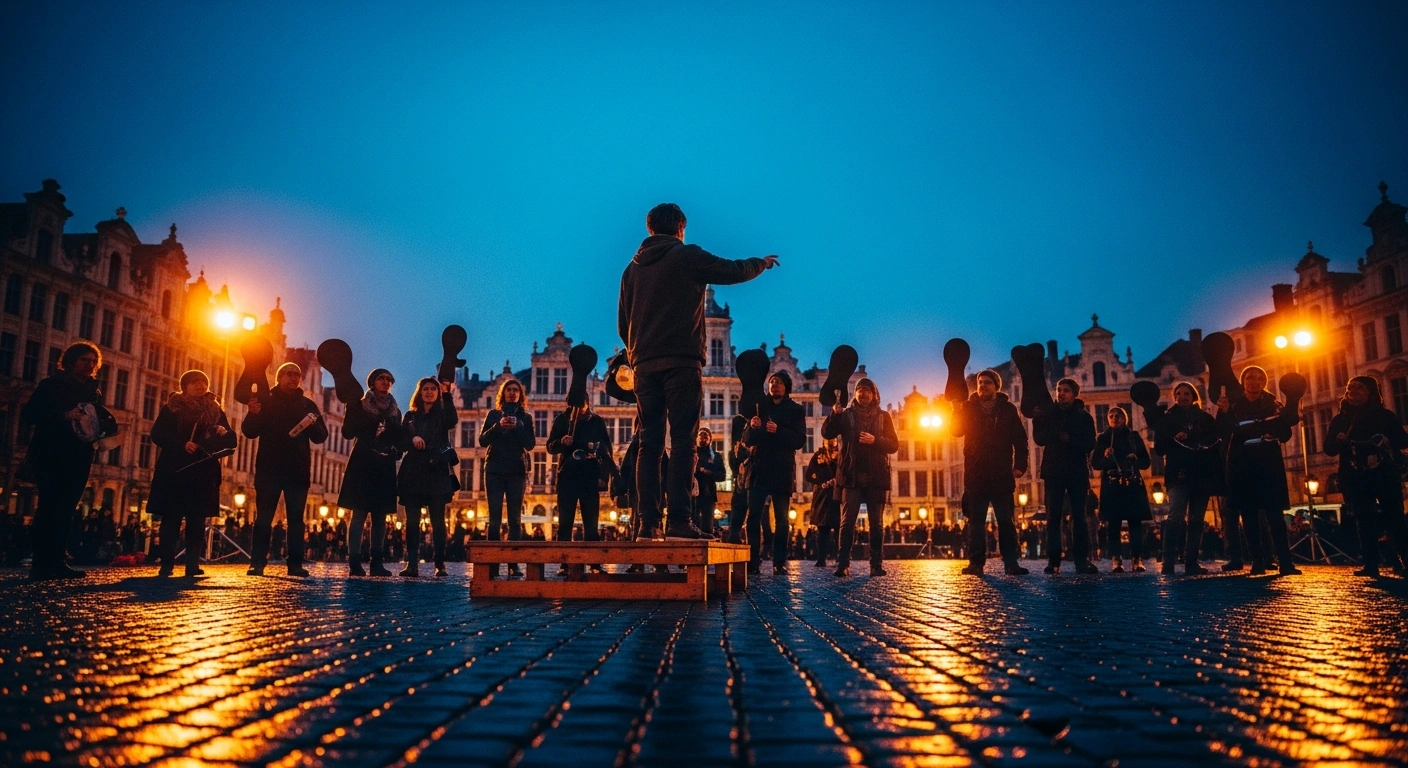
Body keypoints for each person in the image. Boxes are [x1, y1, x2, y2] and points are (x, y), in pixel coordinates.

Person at [618, 202, 778, 539]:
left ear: (650, 229)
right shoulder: (685, 255)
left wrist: (638, 354)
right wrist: (760, 264)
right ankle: (678, 520)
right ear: (680, 227)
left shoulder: (631, 270)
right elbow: (732, 270)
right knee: (683, 441)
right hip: (681, 361)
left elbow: (623, 324)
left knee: (648, 444)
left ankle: (647, 523)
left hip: (644, 365)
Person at [19, 342, 105, 580]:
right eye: (84, 360)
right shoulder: (51, 385)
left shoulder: (94, 391)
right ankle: (40, 564)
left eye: (93, 361)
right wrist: (64, 415)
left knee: (67, 509)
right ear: (70, 361)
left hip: (80, 454)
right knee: (48, 507)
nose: (89, 365)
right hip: (51, 452)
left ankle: (57, 561)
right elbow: (29, 414)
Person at [242, 361, 329, 577]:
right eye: (289, 374)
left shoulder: (307, 405)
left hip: (297, 470)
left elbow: (321, 437)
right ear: (279, 377)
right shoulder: (266, 401)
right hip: (268, 468)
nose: (294, 378)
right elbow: (249, 431)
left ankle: (295, 564)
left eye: (297, 375)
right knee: (263, 518)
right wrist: (253, 413)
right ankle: (257, 562)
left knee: (296, 520)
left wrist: (314, 424)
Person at [148, 370, 236, 577]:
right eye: (195, 382)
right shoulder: (173, 407)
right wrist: (181, 444)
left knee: (197, 521)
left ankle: (192, 564)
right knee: (171, 519)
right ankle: (166, 564)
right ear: (184, 386)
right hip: (175, 471)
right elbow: (157, 434)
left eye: (203, 382)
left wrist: (224, 433)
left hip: (202, 471)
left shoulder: (214, 409)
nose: (200, 386)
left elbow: (231, 441)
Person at [1215, 366, 1301, 576]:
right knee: (1249, 515)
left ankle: (1285, 562)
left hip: (1268, 463)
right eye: (1249, 378)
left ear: (1264, 382)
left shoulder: (1274, 404)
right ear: (1243, 382)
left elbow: (1285, 433)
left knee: (1275, 515)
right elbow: (1223, 431)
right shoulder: (1234, 406)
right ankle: (1257, 561)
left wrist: (1275, 433)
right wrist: (1222, 413)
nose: (1254, 382)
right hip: (1242, 464)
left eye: (1259, 378)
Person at [1324, 376, 1408, 576]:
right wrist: (1339, 441)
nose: (1353, 390)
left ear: (1370, 392)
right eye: (1350, 387)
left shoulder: (1384, 416)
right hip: (1355, 476)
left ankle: (1404, 559)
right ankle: (1371, 564)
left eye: (1359, 387)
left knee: (1395, 518)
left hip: (1384, 474)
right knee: (1364, 521)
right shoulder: (1341, 419)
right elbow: (1329, 449)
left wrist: (1387, 440)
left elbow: (1403, 440)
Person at [952, 370, 1029, 576]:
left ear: (996, 386)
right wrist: (955, 410)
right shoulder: (968, 407)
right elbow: (955, 431)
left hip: (1001, 473)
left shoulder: (1008, 409)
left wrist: (1020, 465)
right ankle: (976, 563)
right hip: (976, 474)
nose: (983, 385)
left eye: (987, 382)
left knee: (1006, 521)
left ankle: (1011, 563)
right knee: (975, 523)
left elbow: (1020, 440)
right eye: (980, 382)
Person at [822, 378, 900, 577]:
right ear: (855, 394)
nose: (863, 393)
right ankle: (843, 564)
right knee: (847, 523)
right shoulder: (845, 414)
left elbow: (894, 445)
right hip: (851, 475)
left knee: (877, 524)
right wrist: (834, 415)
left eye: (867, 390)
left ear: (874, 395)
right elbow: (827, 433)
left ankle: (876, 564)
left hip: (876, 476)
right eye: (860, 390)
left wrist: (875, 441)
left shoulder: (884, 417)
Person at [338, 368, 406, 577]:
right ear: (372, 382)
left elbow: (399, 439)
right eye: (381, 378)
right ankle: (355, 562)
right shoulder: (360, 405)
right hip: (363, 463)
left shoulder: (395, 411)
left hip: (384, 465)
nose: (385, 382)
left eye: (389, 379)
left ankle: (377, 562)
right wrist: (351, 409)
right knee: (358, 514)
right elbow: (347, 432)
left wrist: (397, 450)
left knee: (380, 516)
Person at [742, 371, 807, 574]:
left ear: (786, 386)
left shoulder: (795, 410)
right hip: (759, 467)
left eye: (778, 382)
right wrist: (752, 427)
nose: (774, 385)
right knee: (753, 517)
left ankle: (779, 562)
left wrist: (777, 430)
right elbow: (747, 439)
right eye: (771, 382)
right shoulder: (760, 406)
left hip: (781, 468)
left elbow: (799, 440)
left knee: (782, 520)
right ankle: (753, 561)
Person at [1032, 377, 1098, 574]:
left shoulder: (1084, 417)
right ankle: (1053, 560)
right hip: (1053, 470)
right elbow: (1040, 440)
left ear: (1075, 394)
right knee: (1053, 517)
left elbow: (1090, 444)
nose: (1061, 393)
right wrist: (1037, 420)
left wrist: (1071, 441)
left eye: (1065, 390)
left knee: (1079, 516)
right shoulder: (1049, 415)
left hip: (1076, 471)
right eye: (1059, 390)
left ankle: (1081, 560)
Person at [1154, 381, 1221, 575]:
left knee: (1196, 519)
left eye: (1186, 394)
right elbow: (1159, 448)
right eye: (1179, 394)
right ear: (1174, 397)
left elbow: (1215, 441)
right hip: (1178, 474)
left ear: (1193, 397)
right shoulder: (1167, 419)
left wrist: (1192, 437)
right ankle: (1168, 562)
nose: (1182, 397)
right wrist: (1173, 438)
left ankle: (1191, 561)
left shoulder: (1205, 418)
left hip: (1201, 474)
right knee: (1175, 516)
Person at [398, 377, 460, 577]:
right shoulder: (410, 416)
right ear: (420, 392)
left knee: (438, 521)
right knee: (412, 521)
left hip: (436, 469)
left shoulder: (442, 414)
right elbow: (400, 442)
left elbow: (452, 420)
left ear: (438, 393)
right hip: (413, 470)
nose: (429, 392)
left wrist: (447, 394)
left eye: (433, 389)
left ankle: (440, 564)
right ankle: (412, 564)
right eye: (426, 388)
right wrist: (412, 438)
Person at [479, 378, 536, 579]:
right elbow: (482, 440)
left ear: (520, 395)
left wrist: (519, 426)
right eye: (509, 390)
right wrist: (498, 426)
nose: (512, 393)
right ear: (503, 393)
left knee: (515, 520)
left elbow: (530, 444)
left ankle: (513, 564)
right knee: (494, 519)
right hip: (494, 470)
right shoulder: (493, 415)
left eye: (515, 390)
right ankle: (493, 564)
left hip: (516, 471)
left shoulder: (526, 418)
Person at [547, 400, 614, 568]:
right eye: (575, 404)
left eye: (582, 403)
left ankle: (594, 563)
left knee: (591, 523)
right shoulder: (562, 420)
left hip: (589, 476)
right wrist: (562, 442)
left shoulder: (596, 421)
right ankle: (564, 564)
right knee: (565, 524)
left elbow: (607, 449)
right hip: (567, 475)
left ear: (587, 403)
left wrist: (597, 455)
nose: (579, 407)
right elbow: (550, 447)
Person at [1092, 406, 1153, 572]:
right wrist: (1105, 456)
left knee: (1135, 523)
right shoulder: (1103, 438)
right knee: (1113, 524)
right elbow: (1095, 463)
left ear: (1124, 418)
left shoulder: (1133, 436)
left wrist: (1135, 458)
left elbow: (1146, 462)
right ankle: (1116, 560)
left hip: (1132, 483)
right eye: (1111, 415)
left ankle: (1136, 559)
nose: (1115, 418)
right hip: (1112, 484)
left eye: (1118, 415)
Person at [805, 441, 840, 568]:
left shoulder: (839, 453)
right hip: (824, 495)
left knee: (834, 528)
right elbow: (808, 475)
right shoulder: (819, 455)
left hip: (833, 494)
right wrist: (822, 482)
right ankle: (825, 558)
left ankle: (831, 557)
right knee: (825, 528)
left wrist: (835, 481)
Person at [693, 428, 725, 536]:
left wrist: (708, 472)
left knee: (707, 525)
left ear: (710, 439)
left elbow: (722, 476)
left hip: (709, 494)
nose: (703, 439)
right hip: (694, 493)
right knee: (694, 521)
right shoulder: (692, 454)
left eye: (705, 436)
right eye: (701, 436)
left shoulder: (715, 456)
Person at [725, 415, 751, 545]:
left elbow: (734, 469)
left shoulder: (733, 450)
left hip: (740, 485)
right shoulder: (744, 447)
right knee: (748, 513)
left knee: (738, 512)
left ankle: (734, 535)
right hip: (747, 484)